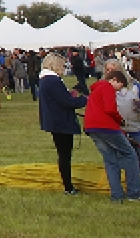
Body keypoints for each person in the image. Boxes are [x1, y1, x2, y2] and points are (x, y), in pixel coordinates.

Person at [84, 70, 140, 201]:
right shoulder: (107, 87)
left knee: (110, 160)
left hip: (92, 128)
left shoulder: (96, 89)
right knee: (130, 154)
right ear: (114, 80)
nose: (118, 90)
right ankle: (134, 193)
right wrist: (120, 120)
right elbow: (110, 109)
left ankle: (117, 195)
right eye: (120, 86)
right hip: (106, 127)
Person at [37, 53, 87, 195]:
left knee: (63, 154)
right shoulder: (52, 80)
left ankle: (68, 185)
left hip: (54, 121)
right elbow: (67, 102)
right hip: (61, 122)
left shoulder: (45, 79)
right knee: (65, 155)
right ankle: (68, 187)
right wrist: (85, 100)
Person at [111, 64, 140, 178]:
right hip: (117, 130)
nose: (111, 73)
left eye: (114, 70)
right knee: (121, 158)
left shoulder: (134, 86)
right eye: (108, 70)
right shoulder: (105, 89)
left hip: (137, 127)